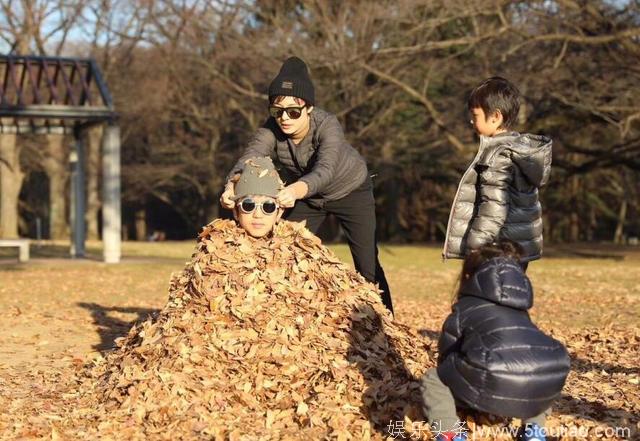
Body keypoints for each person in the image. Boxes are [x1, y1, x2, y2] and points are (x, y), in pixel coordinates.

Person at [220, 56, 393, 313]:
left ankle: (384, 323)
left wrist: (294, 190)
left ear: (308, 108)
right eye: (277, 111)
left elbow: (325, 170)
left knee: (366, 264)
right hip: (309, 198)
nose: (284, 118)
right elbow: (251, 158)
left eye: (293, 111)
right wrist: (232, 185)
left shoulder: (328, 125)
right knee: (285, 249)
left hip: (350, 191)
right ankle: (286, 314)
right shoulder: (271, 130)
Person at [421, 241, 571, 441]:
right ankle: (533, 432)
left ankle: (449, 432)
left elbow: (446, 351)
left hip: (490, 378)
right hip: (545, 376)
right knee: (535, 373)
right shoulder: (521, 308)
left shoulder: (466, 306)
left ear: (473, 275)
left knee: (434, 379)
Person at [442, 77, 552, 271]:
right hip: (519, 246)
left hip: (498, 249)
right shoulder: (520, 151)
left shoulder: (498, 156)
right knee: (511, 295)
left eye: (475, 116)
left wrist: (475, 248)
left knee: (489, 297)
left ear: (495, 117)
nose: (471, 121)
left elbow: (494, 208)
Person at [230, 156, 285, 238]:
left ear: (279, 213)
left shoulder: (300, 249)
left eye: (268, 206)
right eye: (248, 205)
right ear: (235, 211)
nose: (258, 215)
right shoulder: (214, 248)